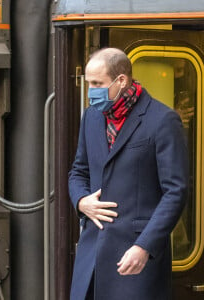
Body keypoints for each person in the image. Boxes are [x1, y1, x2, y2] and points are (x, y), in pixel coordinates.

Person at [68, 48, 189, 300]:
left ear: (121, 80)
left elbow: (175, 192)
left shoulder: (163, 120)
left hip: (136, 262)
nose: (91, 92)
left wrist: (145, 245)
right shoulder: (91, 117)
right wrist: (82, 201)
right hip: (90, 260)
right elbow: (78, 172)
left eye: (97, 83)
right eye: (88, 83)